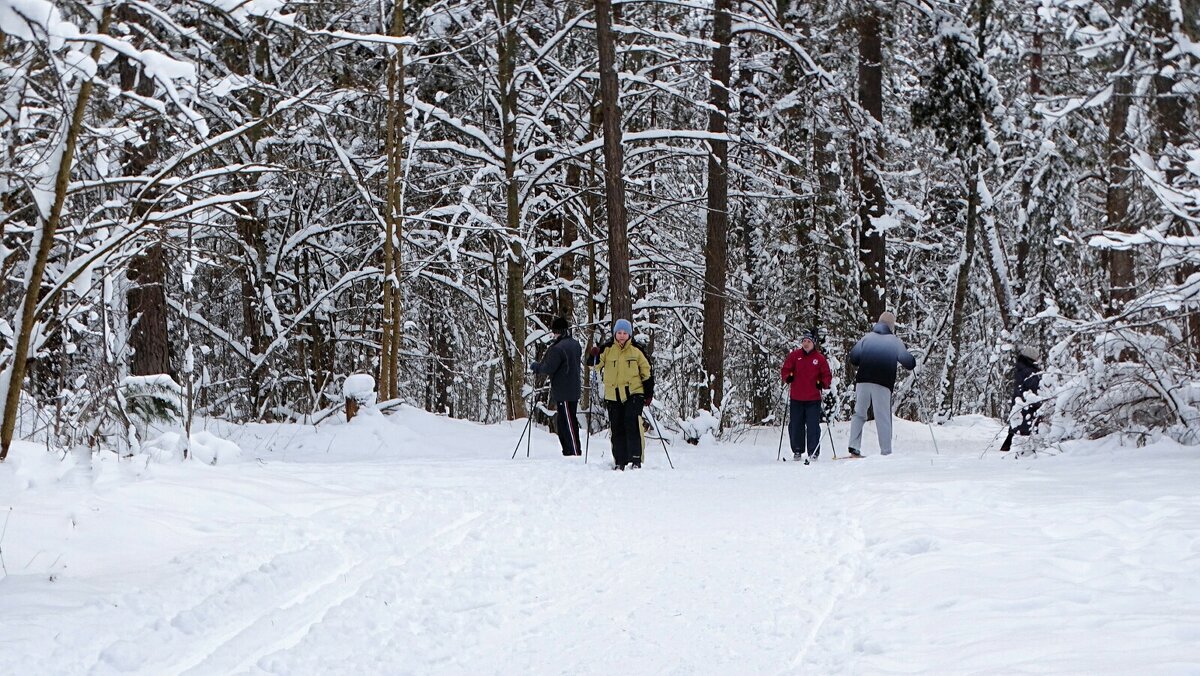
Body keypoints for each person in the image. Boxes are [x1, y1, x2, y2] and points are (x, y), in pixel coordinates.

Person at [847, 311, 916, 457]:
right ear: (891, 326)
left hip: (863, 380)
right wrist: (912, 360)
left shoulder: (867, 338)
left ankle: (854, 446)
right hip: (882, 382)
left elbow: (853, 358)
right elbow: (908, 363)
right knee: (882, 416)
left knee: (859, 413)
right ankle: (886, 451)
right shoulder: (894, 342)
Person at [591, 319, 652, 470]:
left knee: (632, 423)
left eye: (625, 333)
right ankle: (620, 461)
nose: (622, 335)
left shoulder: (637, 350)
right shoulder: (607, 349)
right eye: (619, 332)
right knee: (617, 427)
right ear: (615, 334)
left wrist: (648, 393)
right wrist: (594, 356)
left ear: (629, 334)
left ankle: (636, 459)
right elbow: (594, 365)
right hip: (613, 395)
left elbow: (647, 372)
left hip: (634, 393)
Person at [531, 317, 583, 456]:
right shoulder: (575, 344)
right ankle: (569, 451)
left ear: (557, 331)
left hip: (564, 390)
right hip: (573, 388)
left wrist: (536, 367)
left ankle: (574, 452)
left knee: (567, 422)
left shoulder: (558, 348)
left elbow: (548, 368)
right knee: (565, 421)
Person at [780, 330, 833, 464]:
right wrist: (788, 377)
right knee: (796, 425)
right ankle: (797, 450)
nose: (806, 344)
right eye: (804, 341)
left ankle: (813, 452)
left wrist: (823, 383)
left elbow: (826, 375)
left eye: (808, 341)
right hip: (796, 397)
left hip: (813, 398)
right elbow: (785, 370)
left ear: (813, 343)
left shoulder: (819, 358)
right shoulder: (794, 356)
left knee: (813, 426)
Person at [999, 345, 1042, 452]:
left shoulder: (1021, 369)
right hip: (1027, 402)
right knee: (1027, 425)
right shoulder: (1030, 372)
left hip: (1020, 402)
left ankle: (1008, 445)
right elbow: (1034, 388)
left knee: (1017, 425)